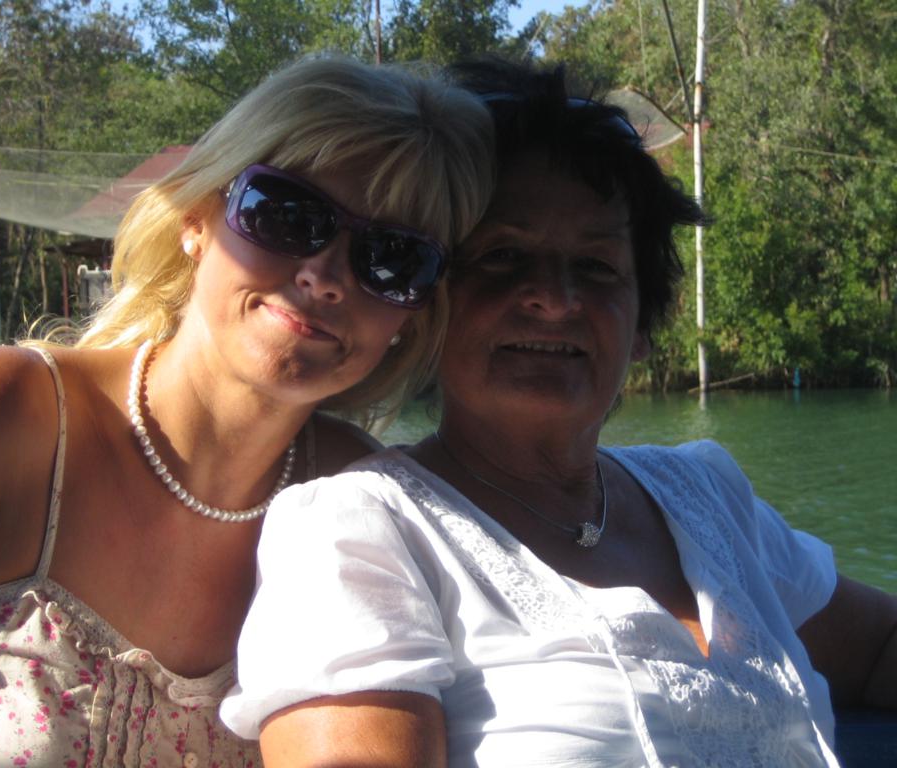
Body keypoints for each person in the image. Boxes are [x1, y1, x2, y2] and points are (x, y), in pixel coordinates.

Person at [221, 59, 897, 767]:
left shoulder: (708, 496)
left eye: (597, 267)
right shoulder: (359, 530)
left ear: (641, 325)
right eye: (503, 256)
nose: (554, 298)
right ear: (427, 304)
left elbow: (880, 646)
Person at [0, 56, 494, 765]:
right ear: (197, 219)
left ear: (412, 316)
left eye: (392, 258)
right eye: (287, 214)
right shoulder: (2, 419)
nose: (325, 276)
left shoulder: (366, 505)